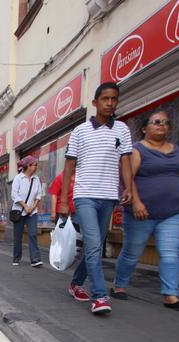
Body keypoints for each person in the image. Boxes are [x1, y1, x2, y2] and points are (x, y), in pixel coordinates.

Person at [58, 81, 133, 315]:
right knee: (92, 244)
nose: (110, 103)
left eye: (113, 99)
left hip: (109, 196)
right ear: (95, 103)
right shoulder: (80, 131)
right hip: (85, 196)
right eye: (105, 99)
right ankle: (100, 296)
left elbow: (126, 162)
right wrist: (63, 200)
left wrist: (128, 187)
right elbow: (69, 166)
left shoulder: (122, 130)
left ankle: (75, 283)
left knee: (95, 246)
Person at [111, 110, 179, 312]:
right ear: (145, 128)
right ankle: (119, 285)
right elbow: (129, 178)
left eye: (165, 122)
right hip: (142, 212)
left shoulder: (176, 151)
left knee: (170, 253)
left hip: (172, 212)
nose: (161, 125)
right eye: (156, 122)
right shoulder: (137, 150)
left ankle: (171, 295)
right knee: (132, 252)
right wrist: (136, 203)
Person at [49, 172, 87, 286]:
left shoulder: (82, 177)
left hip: (77, 213)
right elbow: (54, 194)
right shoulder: (61, 177)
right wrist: (53, 212)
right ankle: (62, 256)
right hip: (63, 214)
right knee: (63, 237)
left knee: (75, 237)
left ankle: (71, 254)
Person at [11, 155, 43, 267]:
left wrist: (32, 208)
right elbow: (14, 195)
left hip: (32, 212)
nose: (36, 167)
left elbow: (39, 195)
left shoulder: (36, 179)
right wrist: (25, 206)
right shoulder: (18, 178)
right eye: (34, 165)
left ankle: (35, 259)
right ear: (28, 166)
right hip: (19, 211)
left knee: (33, 234)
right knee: (17, 236)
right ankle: (16, 257)